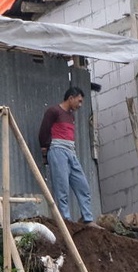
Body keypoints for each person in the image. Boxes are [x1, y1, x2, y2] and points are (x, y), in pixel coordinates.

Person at [37, 87, 98, 227]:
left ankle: (87, 218)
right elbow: (43, 133)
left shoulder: (71, 116)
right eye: (79, 101)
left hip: (71, 151)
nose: (80, 105)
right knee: (62, 187)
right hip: (57, 150)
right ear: (71, 98)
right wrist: (45, 150)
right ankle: (66, 220)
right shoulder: (53, 111)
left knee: (83, 186)